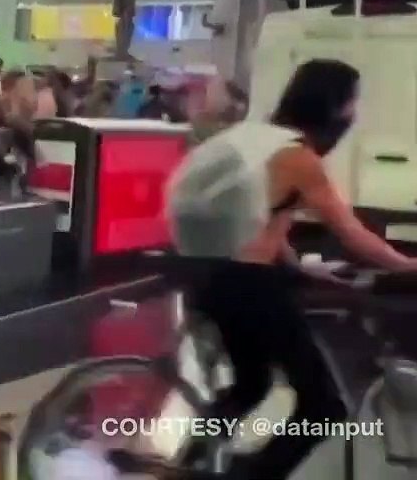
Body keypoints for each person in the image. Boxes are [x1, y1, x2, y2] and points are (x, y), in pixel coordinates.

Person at [169, 59, 417, 479]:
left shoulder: (250, 137)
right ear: (334, 106)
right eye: (353, 103)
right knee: (324, 407)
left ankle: (190, 462)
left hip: (200, 275)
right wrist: (408, 264)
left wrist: (298, 266)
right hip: (246, 285)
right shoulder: (298, 158)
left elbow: (250, 215)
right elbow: (352, 234)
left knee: (252, 385)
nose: (355, 114)